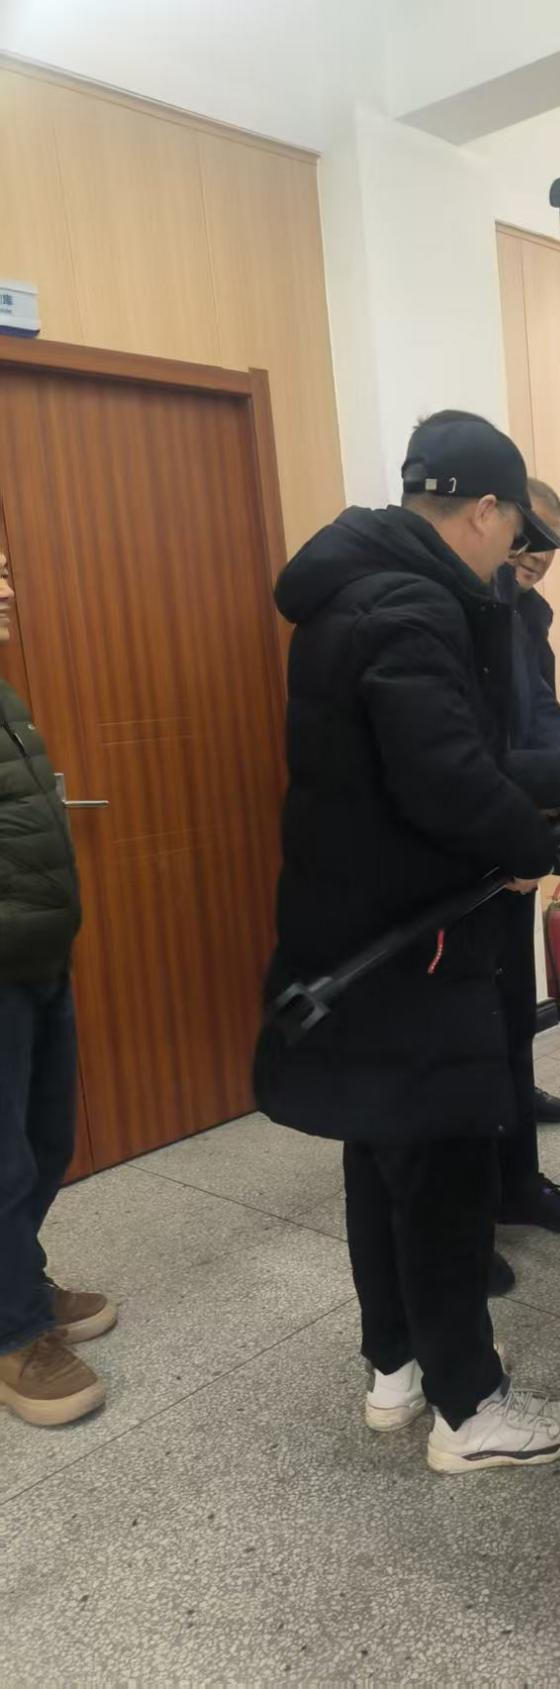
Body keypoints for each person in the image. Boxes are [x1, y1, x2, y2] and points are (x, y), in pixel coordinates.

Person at [254, 411, 560, 1473]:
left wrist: (551, 776)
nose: (511, 556)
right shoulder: (413, 602)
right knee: (444, 1168)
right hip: (416, 938)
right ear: (485, 509)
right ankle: (471, 1411)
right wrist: (530, 843)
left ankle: (395, 1371)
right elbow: (443, 779)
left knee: (379, 1151)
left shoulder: (352, 587)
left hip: (355, 926)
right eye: (515, 530)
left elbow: (416, 751)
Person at [0, 553, 117, 1428]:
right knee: (2, 1160)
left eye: (6, 570)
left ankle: (18, 1283)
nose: (9, 588)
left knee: (44, 1141)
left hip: (37, 957)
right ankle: (13, 1333)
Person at [491, 478, 560, 1258]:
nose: (538, 554)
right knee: (476, 1032)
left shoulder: (529, 614)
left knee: (508, 1009)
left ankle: (516, 1177)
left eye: (551, 544)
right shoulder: (471, 608)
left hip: (518, 829)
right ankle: (478, 1209)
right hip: (477, 845)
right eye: (528, 535)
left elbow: (539, 719)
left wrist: (548, 826)